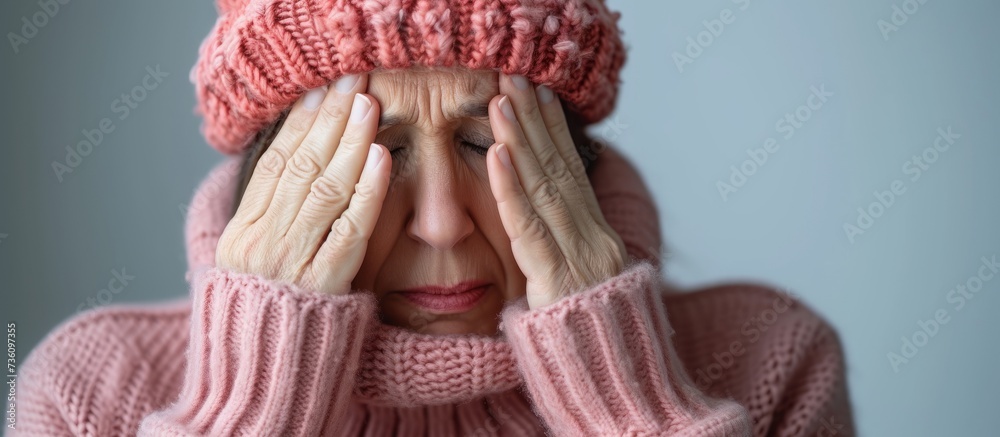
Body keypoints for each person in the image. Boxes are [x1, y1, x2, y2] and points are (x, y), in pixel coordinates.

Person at [11, 0, 855, 435]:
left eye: (486, 138)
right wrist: (247, 409)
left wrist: (632, 406)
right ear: (277, 175)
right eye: (377, 147)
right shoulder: (94, 393)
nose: (443, 224)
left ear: (570, 159)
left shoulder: (765, 365)